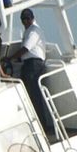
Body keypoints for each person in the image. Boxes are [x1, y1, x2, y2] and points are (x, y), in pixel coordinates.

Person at [11, 8, 56, 139]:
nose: (26, 21)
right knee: (30, 96)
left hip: (33, 65)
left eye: (27, 19)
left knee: (34, 96)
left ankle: (42, 126)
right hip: (30, 64)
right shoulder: (29, 31)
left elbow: (26, 48)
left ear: (32, 18)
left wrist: (11, 58)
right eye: (23, 19)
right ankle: (39, 125)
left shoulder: (33, 31)